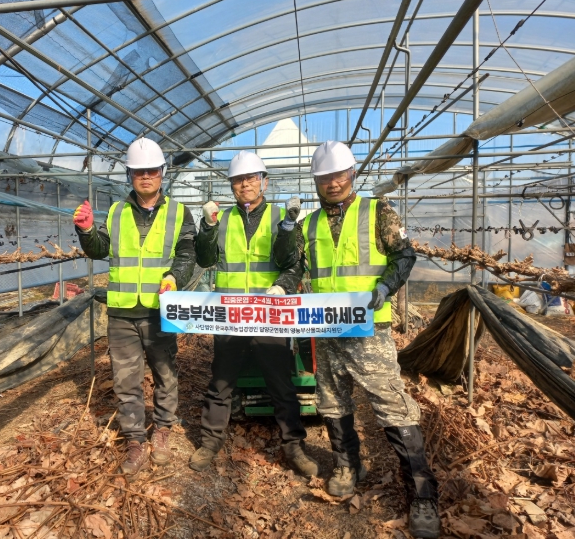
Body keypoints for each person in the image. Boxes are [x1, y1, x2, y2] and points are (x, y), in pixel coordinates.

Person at [273, 140, 439, 538]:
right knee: (332, 402)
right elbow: (296, 267)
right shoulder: (309, 224)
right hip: (328, 329)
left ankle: (422, 495)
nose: (333, 183)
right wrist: (282, 286)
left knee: (393, 407)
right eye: (324, 177)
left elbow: (404, 255)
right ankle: (348, 465)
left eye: (339, 175)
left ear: (352, 174)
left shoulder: (377, 211)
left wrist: (384, 287)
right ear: (316, 181)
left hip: (369, 331)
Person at [188, 150, 318, 478]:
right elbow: (205, 259)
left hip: (269, 314)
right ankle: (210, 442)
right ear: (231, 185)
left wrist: (283, 285)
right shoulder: (222, 219)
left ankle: (294, 446)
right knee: (221, 380)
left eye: (250, 178)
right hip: (231, 315)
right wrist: (207, 227)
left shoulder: (281, 217)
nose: (244, 184)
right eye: (237, 180)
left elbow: (294, 263)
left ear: (264, 182)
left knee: (281, 381)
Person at [73, 137, 196, 478]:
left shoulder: (180, 212)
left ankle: (163, 430)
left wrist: (174, 276)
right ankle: (135, 440)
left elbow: (187, 254)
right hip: (122, 313)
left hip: (160, 310)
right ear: (129, 175)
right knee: (126, 380)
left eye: (152, 171)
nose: (145, 177)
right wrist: (86, 231)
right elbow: (99, 249)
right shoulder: (116, 211)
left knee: (165, 374)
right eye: (139, 172)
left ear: (162, 173)